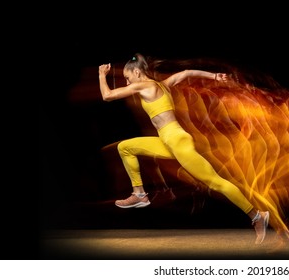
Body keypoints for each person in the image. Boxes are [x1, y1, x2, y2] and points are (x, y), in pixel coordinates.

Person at [98, 53, 270, 245]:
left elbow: (107, 96)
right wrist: (213, 76)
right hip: (168, 140)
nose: (128, 82)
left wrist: (101, 74)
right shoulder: (163, 84)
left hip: (176, 140)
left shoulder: (144, 85)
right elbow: (186, 73)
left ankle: (256, 215)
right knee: (125, 147)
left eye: (128, 78)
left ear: (137, 72)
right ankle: (139, 194)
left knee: (215, 182)